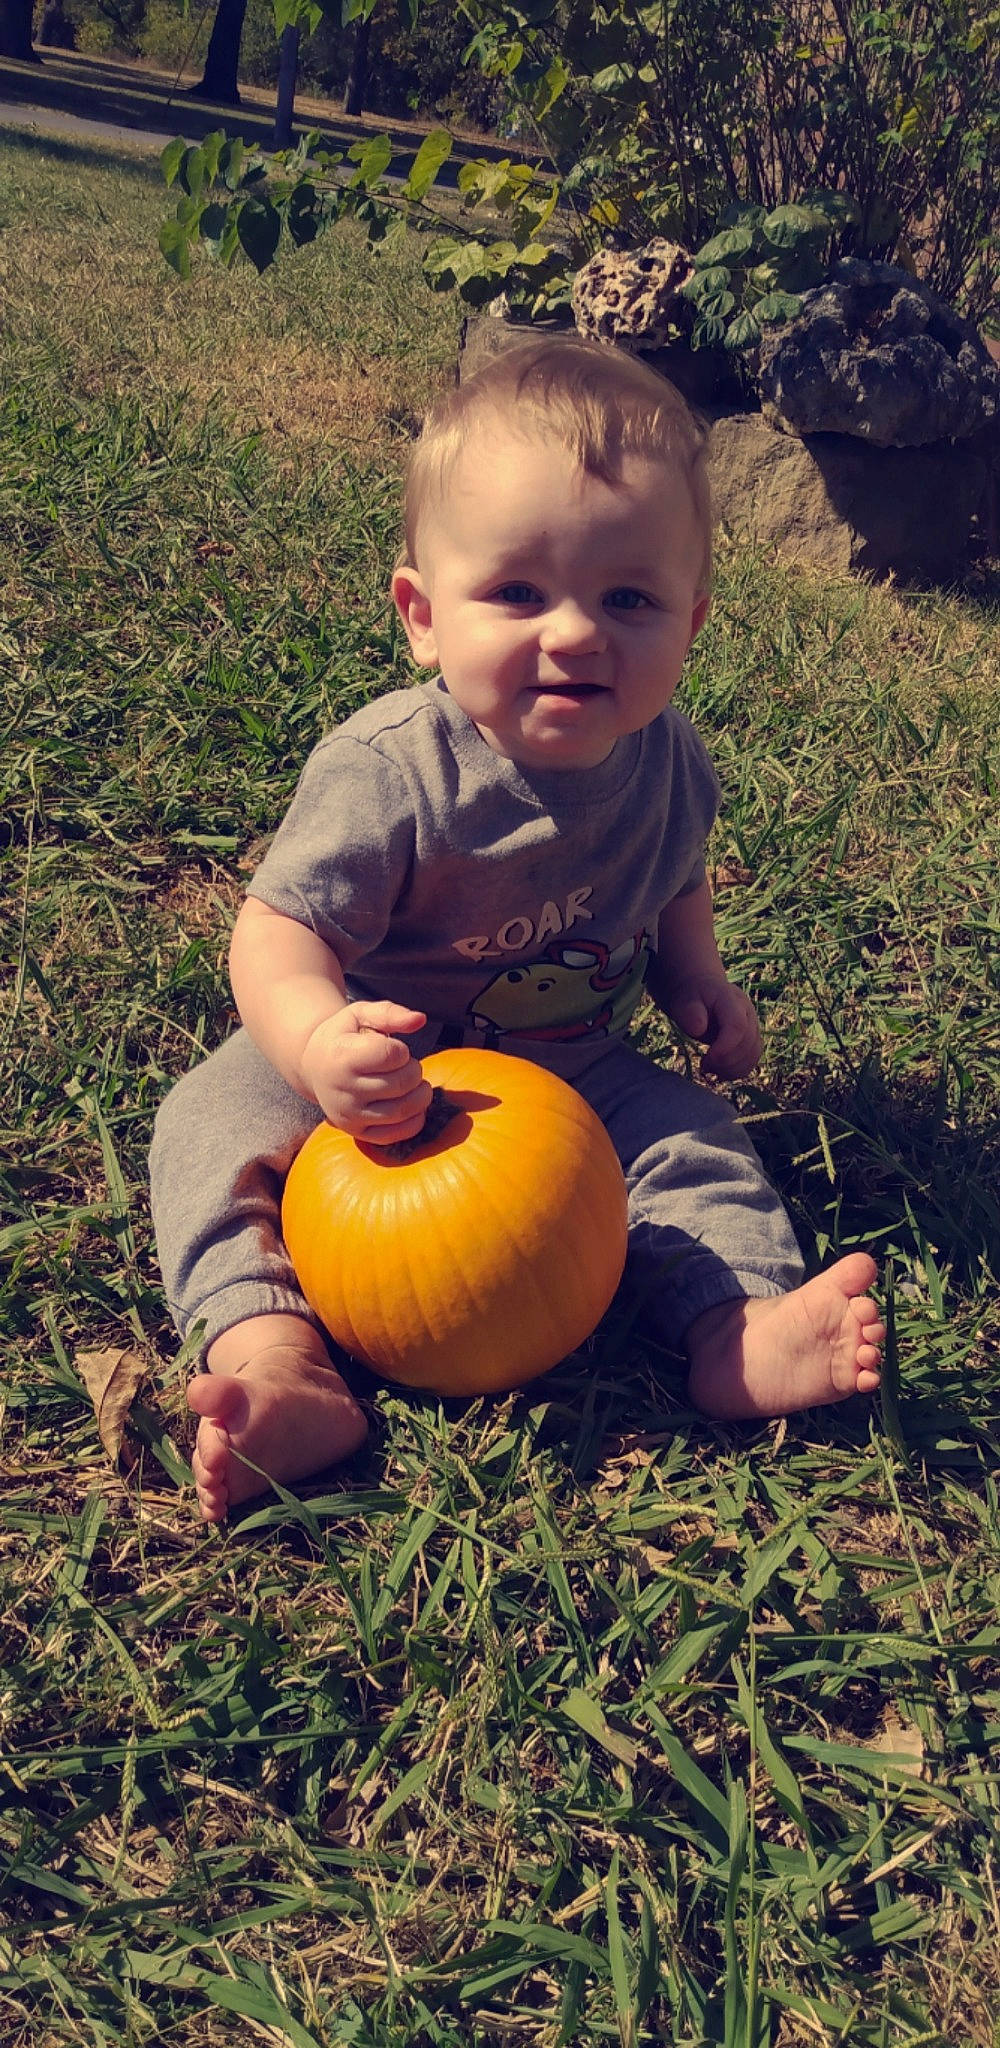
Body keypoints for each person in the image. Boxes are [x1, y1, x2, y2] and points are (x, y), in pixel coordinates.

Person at [150, 337, 884, 1523]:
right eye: (518, 593)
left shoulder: (669, 760)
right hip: (388, 1077)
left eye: (628, 597)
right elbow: (275, 933)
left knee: (693, 1141)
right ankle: (272, 1354)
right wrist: (317, 1044)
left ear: (690, 622)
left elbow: (674, 874)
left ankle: (733, 1322)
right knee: (209, 1121)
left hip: (576, 1064)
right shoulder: (393, 773)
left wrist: (697, 977)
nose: (577, 632)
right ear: (423, 616)